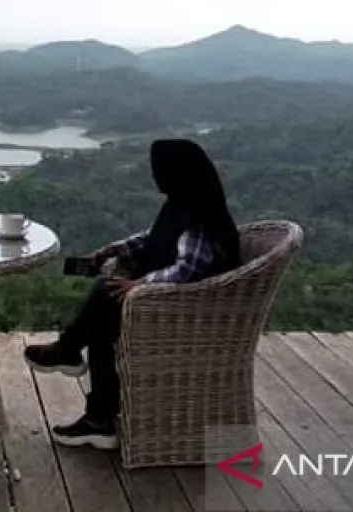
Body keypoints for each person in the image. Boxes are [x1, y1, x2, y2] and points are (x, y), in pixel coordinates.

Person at [23, 138, 241, 449]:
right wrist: (115, 249)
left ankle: (72, 362)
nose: (154, 175)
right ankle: (95, 412)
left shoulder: (200, 218)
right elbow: (155, 238)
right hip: (172, 306)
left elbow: (187, 270)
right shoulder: (187, 203)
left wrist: (140, 285)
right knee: (103, 316)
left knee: (106, 294)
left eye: (159, 169)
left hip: (189, 317)